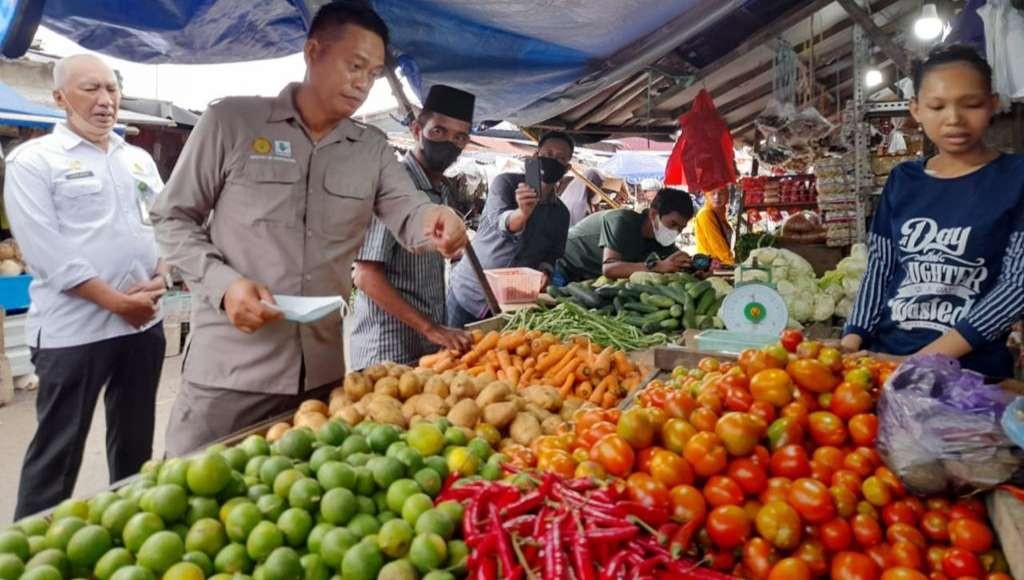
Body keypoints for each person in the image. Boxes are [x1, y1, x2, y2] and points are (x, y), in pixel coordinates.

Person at [151, 3, 467, 456]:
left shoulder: (371, 150)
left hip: (319, 377)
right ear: (313, 52)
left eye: (373, 73)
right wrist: (223, 285)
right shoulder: (232, 123)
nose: (362, 83)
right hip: (229, 371)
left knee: (302, 506)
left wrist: (437, 222)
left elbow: (409, 211)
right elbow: (171, 216)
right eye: (354, 65)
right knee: (193, 499)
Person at [5, 55, 168, 518]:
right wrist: (116, 301)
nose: (105, 101)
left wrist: (162, 273)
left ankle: (129, 533)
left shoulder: (136, 159)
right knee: (57, 455)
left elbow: (163, 221)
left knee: (134, 448)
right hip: (73, 334)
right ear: (59, 98)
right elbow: (46, 252)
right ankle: (32, 551)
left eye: (111, 89)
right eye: (90, 90)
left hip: (141, 326)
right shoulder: (34, 162)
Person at [841, 44, 1024, 378]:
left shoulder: (1017, 178)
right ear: (916, 110)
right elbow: (880, 268)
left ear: (993, 104)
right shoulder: (903, 180)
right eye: (937, 106)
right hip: (885, 359)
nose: (953, 119)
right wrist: (851, 341)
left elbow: (1016, 286)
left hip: (970, 371)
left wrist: (922, 362)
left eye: (971, 104)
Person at [349, 85, 476, 369]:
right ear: (417, 130)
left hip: (424, 349)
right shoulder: (393, 186)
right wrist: (432, 328)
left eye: (459, 137)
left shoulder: (440, 190)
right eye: (439, 131)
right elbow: (366, 276)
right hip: (386, 352)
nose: (449, 143)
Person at [447, 132, 574, 327]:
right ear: (535, 156)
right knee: (449, 353)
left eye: (560, 158)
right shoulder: (506, 183)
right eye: (547, 154)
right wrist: (523, 212)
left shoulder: (561, 214)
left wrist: (544, 272)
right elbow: (503, 224)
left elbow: (552, 254)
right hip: (471, 291)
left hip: (511, 302)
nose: (552, 161)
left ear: (567, 168)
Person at [557, 188, 695, 282]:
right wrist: (658, 266)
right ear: (654, 214)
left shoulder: (662, 242)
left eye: (681, 229)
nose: (676, 232)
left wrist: (697, 269)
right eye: (672, 224)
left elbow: (675, 263)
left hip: (589, 275)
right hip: (564, 264)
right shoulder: (621, 221)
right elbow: (610, 269)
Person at [694, 186, 735, 264]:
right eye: (713, 194)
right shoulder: (706, 214)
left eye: (721, 193)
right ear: (706, 195)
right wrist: (732, 263)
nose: (717, 197)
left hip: (719, 265)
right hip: (711, 266)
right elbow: (718, 246)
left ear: (727, 195)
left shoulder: (719, 214)